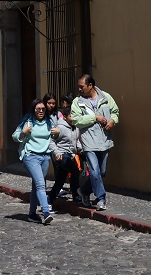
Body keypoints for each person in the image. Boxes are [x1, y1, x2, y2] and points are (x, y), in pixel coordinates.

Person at [71, 73, 119, 211]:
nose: (79, 89)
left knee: (101, 171)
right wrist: (94, 117)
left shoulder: (106, 97)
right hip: (88, 141)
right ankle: (101, 198)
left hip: (104, 139)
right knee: (94, 171)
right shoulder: (77, 102)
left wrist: (112, 120)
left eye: (82, 87)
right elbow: (76, 120)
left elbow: (115, 112)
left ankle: (84, 191)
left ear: (90, 85)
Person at [12, 98, 56, 224]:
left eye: (43, 109)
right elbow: (15, 136)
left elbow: (53, 136)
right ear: (34, 110)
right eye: (38, 109)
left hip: (45, 157)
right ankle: (46, 212)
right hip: (31, 156)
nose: (41, 111)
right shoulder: (28, 122)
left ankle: (32, 213)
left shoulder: (49, 122)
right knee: (41, 184)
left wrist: (57, 133)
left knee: (36, 186)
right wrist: (23, 132)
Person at [47, 94, 80, 204]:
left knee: (60, 179)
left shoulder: (75, 128)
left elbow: (76, 142)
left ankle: (50, 198)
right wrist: (56, 152)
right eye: (71, 116)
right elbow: (51, 141)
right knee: (75, 171)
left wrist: (83, 150)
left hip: (70, 155)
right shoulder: (60, 127)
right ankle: (76, 196)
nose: (73, 118)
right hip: (61, 155)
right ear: (65, 117)